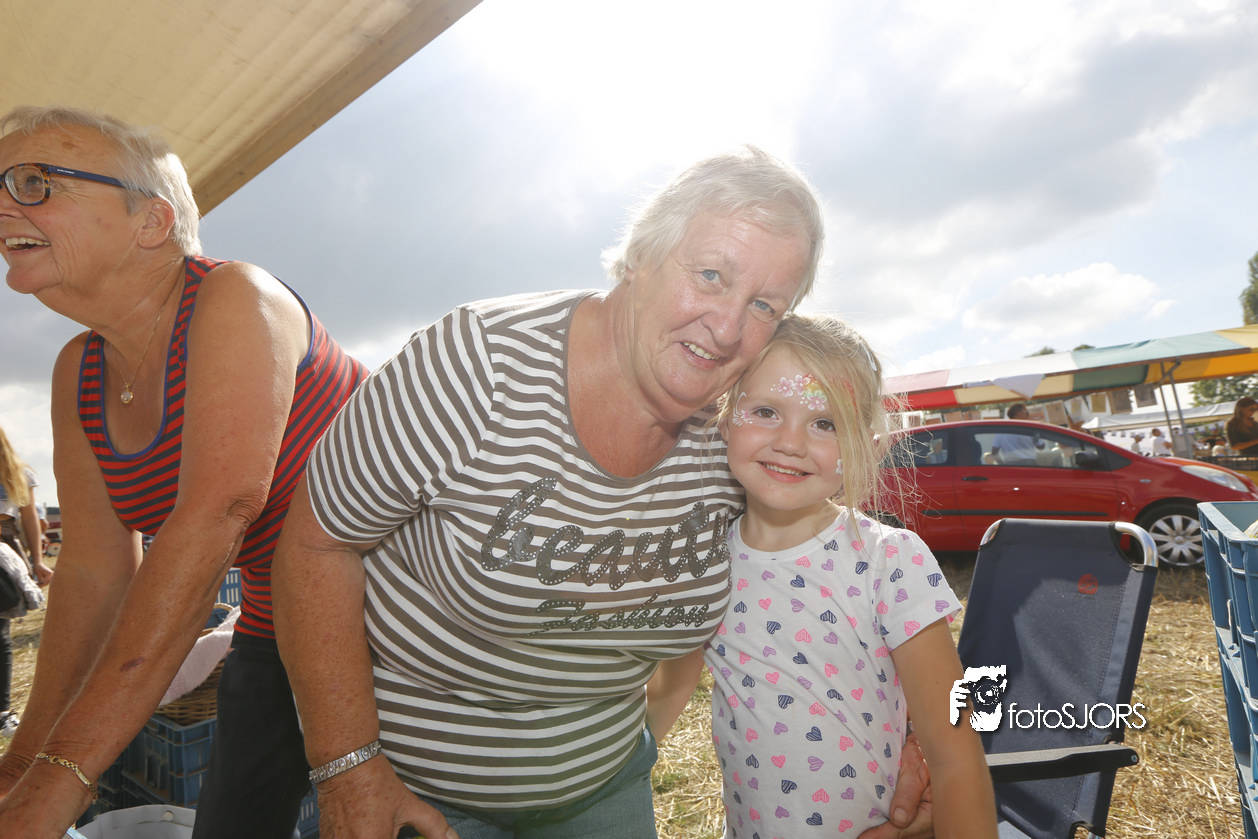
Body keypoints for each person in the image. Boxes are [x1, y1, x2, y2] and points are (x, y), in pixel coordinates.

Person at [272, 147, 932, 839]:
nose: (728, 328)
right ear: (641, 254)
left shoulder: (741, 421)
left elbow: (862, 591)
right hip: (426, 799)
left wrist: (929, 745)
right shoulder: (476, 365)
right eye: (710, 275)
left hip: (607, 790)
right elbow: (316, 542)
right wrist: (347, 767)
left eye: (765, 304)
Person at [0, 106, 368, 838]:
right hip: (276, 620)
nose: (5, 204)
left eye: (34, 182)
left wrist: (61, 777)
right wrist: (22, 765)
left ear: (152, 220)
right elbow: (93, 573)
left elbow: (218, 511)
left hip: (411, 609)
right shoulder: (79, 369)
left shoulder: (236, 296)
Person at [691, 314, 996, 837]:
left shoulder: (888, 561)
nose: (790, 442)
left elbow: (955, 756)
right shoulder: (706, 563)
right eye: (765, 411)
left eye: (825, 423)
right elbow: (663, 692)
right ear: (724, 420)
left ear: (866, 446)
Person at [0, 425, 52, 737]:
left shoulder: (19, 473)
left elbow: (30, 518)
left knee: (1, 631)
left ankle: (2, 712)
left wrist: (37, 561)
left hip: (3, 550)